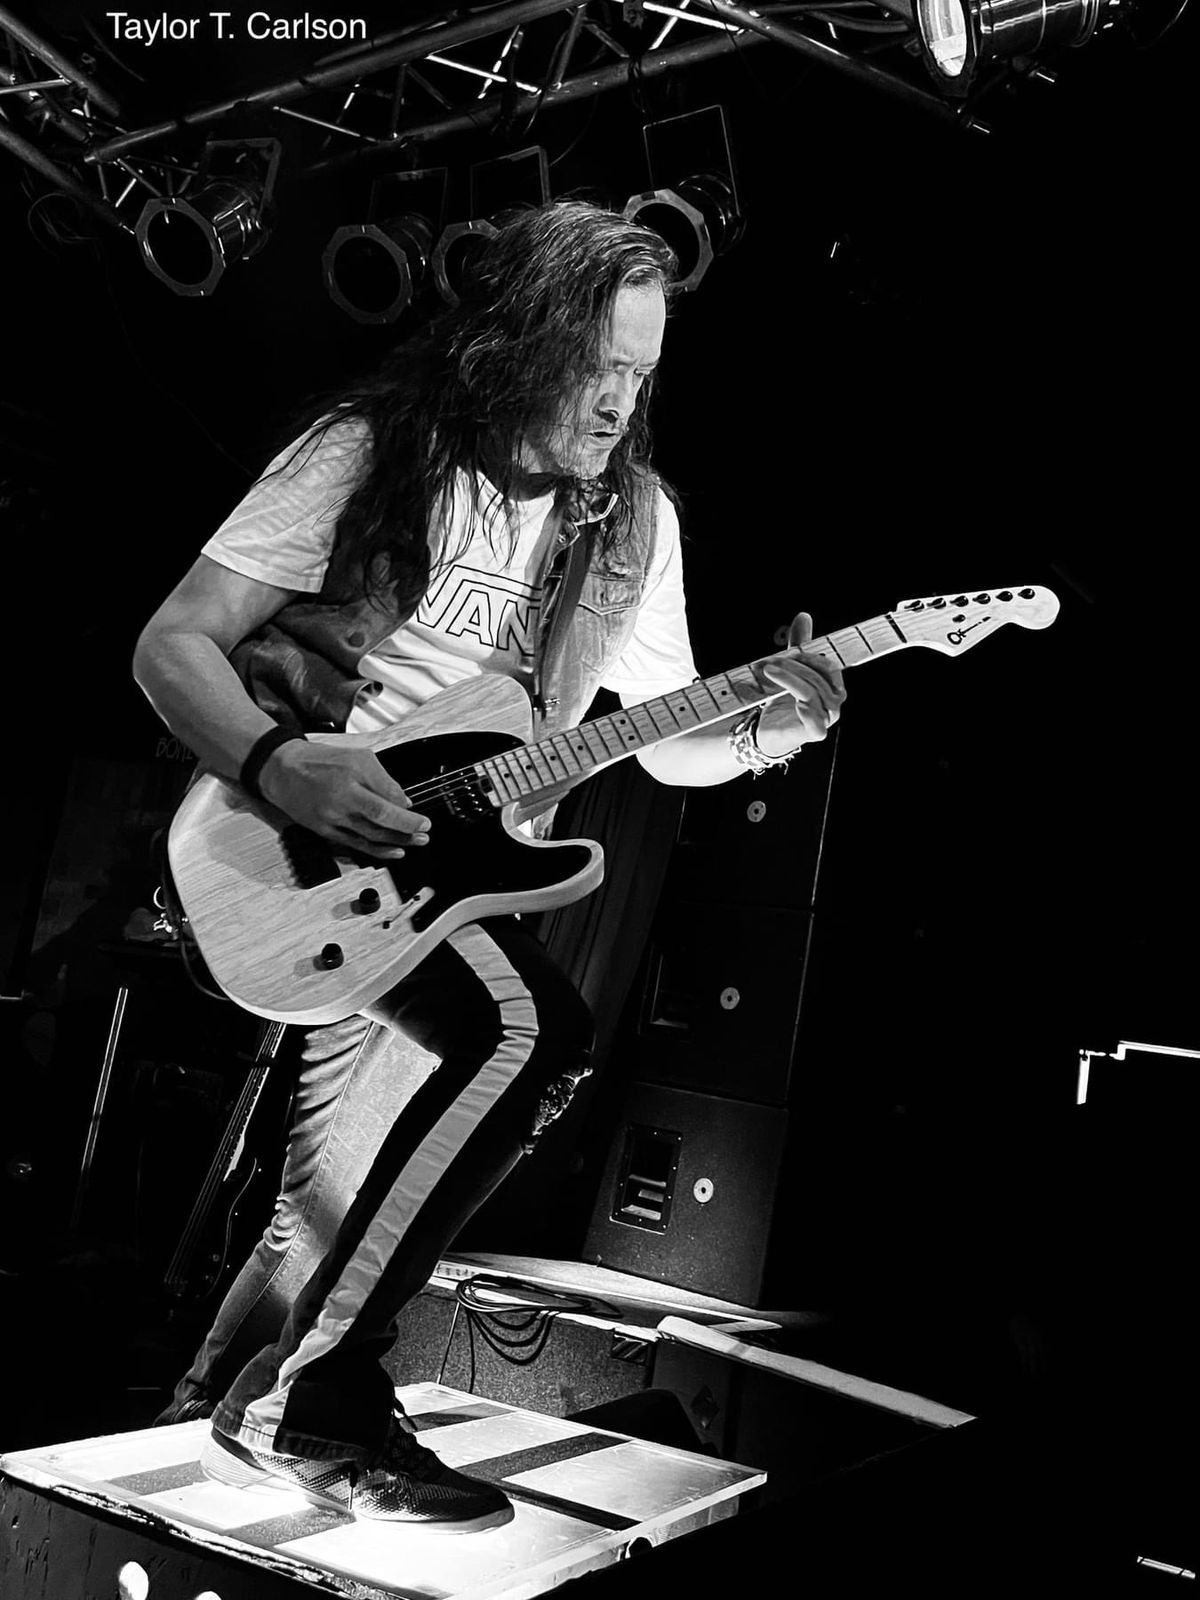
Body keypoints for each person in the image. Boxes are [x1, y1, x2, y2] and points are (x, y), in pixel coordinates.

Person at [133, 198, 845, 1530]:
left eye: (641, 373)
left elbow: (665, 740)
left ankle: (216, 1428)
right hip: (305, 847)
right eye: (597, 365)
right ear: (516, 338)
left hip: (455, 884)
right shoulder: (372, 451)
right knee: (529, 1035)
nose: (619, 402)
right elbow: (173, 644)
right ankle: (314, 1400)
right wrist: (281, 763)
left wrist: (770, 729)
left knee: (329, 1201)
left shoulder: (631, 527)